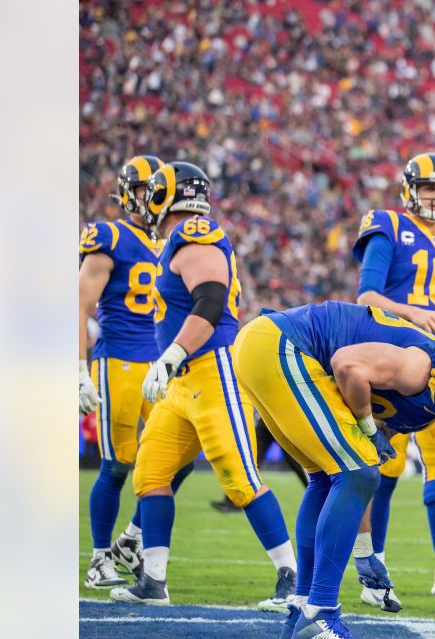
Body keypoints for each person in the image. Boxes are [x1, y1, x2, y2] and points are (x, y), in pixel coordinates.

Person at [233, 299, 435, 639]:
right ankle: (320, 615)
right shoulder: (434, 373)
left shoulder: (427, 408)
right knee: (354, 473)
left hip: (264, 347)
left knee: (327, 479)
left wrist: (365, 550)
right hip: (282, 346)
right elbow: (346, 365)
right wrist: (369, 427)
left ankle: (302, 609)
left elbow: (358, 468)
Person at [108, 162, 297, 610]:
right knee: (151, 471)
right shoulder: (176, 238)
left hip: (212, 370)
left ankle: (293, 580)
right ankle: (153, 580)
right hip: (183, 382)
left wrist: (171, 354)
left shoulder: (195, 232)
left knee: (241, 480)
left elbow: (210, 299)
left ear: (163, 195)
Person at [352, 153, 435, 611]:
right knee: (378, 473)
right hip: (393, 360)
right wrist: (410, 313)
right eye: (430, 187)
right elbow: (366, 295)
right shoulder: (387, 226)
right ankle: (374, 572)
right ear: (410, 189)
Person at [79, 155, 193, 587]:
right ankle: (98, 557)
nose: (153, 198)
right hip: (119, 361)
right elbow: (79, 305)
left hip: (160, 364)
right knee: (117, 464)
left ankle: (132, 538)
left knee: (178, 459)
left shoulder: (173, 241)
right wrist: (78, 369)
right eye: (147, 189)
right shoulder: (108, 235)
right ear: (129, 193)